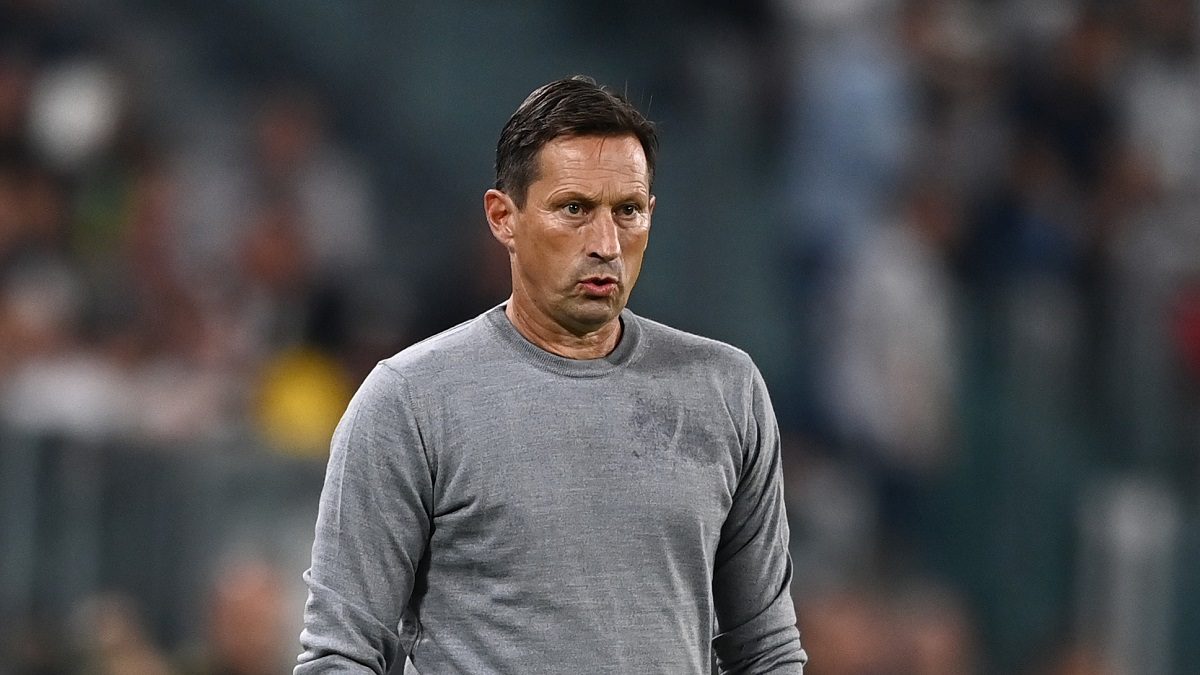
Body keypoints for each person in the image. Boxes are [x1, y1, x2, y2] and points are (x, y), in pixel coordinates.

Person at [296, 75, 807, 674]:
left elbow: (766, 650)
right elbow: (341, 652)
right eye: (574, 209)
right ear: (503, 217)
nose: (606, 243)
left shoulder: (725, 389)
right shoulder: (410, 401)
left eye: (628, 211)